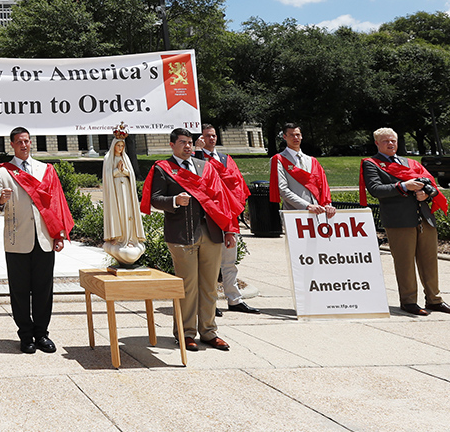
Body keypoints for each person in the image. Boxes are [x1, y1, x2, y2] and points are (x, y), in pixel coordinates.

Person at [140, 128, 241, 352]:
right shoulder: (163, 169)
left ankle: (209, 332)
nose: (188, 146)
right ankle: (185, 333)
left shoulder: (206, 167)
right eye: (183, 142)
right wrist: (174, 200)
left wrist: (229, 230)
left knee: (210, 287)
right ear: (172, 145)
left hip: (211, 233)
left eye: (190, 143)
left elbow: (221, 200)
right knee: (187, 287)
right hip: (182, 235)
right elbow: (155, 199)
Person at [0, 127, 74, 354]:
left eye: (27, 141)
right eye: (19, 142)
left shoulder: (45, 170)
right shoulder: (3, 172)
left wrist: (58, 234)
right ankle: (25, 336)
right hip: (17, 240)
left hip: (44, 239)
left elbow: (55, 205)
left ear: (31, 143)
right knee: (20, 290)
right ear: (12, 145)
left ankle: (42, 334)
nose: (24, 145)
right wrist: (1, 201)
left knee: (44, 290)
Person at [360, 128, 450, 317]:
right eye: (385, 141)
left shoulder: (411, 163)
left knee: (429, 261)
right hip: (399, 220)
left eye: (393, 140)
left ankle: (434, 300)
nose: (390, 144)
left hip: (425, 217)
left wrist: (427, 193)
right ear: (377, 143)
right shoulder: (372, 164)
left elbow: (430, 183)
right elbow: (376, 189)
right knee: (405, 263)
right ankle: (408, 301)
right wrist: (403, 185)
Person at [196, 125, 259, 315]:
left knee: (229, 262)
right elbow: (197, 181)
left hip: (229, 214)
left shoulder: (225, 159)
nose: (212, 138)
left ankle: (234, 299)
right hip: (210, 214)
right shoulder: (197, 159)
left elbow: (237, 182)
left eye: (214, 135)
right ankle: (209, 302)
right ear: (201, 138)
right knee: (210, 264)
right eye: (207, 136)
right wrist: (198, 152)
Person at [270, 123, 337, 217]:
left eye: (297, 135)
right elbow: (282, 189)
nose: (295, 138)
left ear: (301, 136)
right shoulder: (278, 159)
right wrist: (307, 206)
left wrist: (327, 205)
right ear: (284, 137)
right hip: (295, 214)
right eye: (291, 135)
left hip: (319, 212)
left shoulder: (312, 160)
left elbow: (323, 186)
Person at [101, 123, 144, 265]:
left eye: (122, 146)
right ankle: (118, 238)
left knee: (127, 213)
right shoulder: (108, 158)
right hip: (115, 192)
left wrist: (124, 171)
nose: (120, 149)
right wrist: (117, 171)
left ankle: (129, 238)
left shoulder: (125, 158)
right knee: (118, 213)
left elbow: (130, 174)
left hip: (125, 189)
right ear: (114, 146)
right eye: (118, 146)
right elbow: (107, 176)